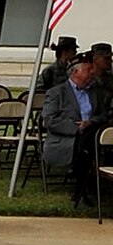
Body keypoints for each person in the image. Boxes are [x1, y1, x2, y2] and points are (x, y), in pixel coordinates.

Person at [43, 50, 103, 205]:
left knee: (88, 140)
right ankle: (82, 189)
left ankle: (80, 189)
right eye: (88, 70)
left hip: (93, 135)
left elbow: (102, 115)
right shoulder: (56, 93)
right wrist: (77, 128)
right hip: (67, 139)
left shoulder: (94, 92)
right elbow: (50, 120)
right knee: (85, 144)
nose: (92, 73)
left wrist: (89, 123)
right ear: (76, 72)